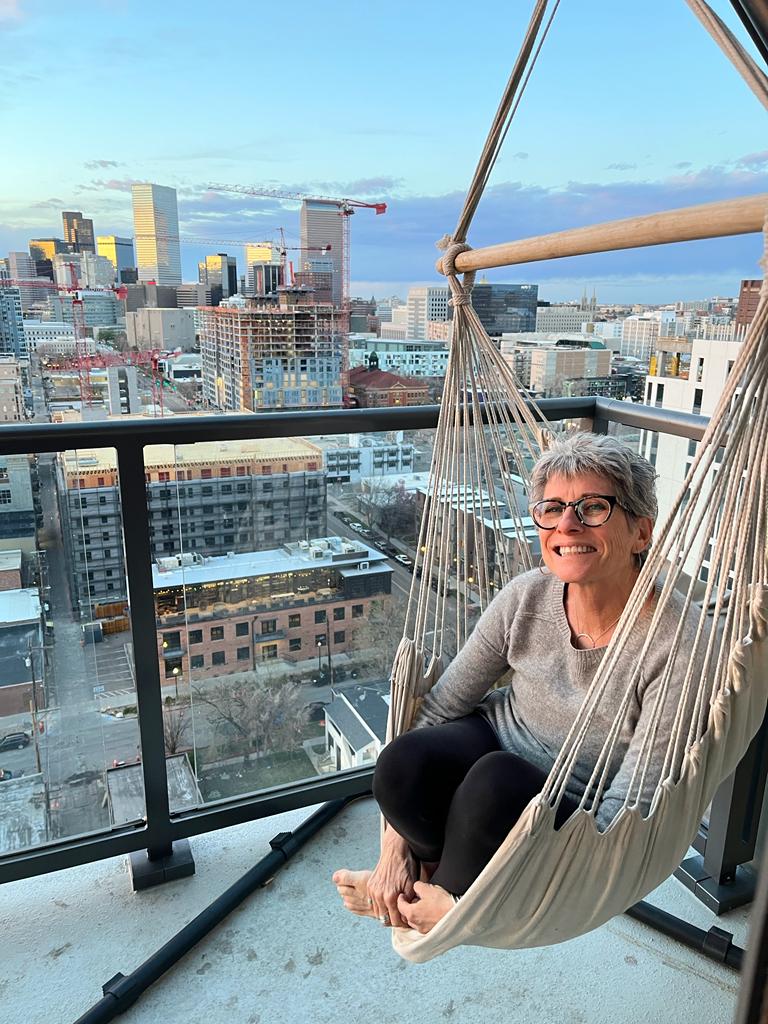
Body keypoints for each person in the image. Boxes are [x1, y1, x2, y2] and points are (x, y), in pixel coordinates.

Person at [333, 432, 695, 936]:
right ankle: (424, 879)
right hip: (500, 735)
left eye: (593, 507)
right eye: (553, 508)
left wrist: (480, 916)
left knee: (494, 784)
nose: (567, 524)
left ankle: (444, 908)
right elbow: (437, 710)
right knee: (401, 763)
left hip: (576, 796)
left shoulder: (676, 642)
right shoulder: (526, 597)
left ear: (641, 533)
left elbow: (627, 811)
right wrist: (392, 849)